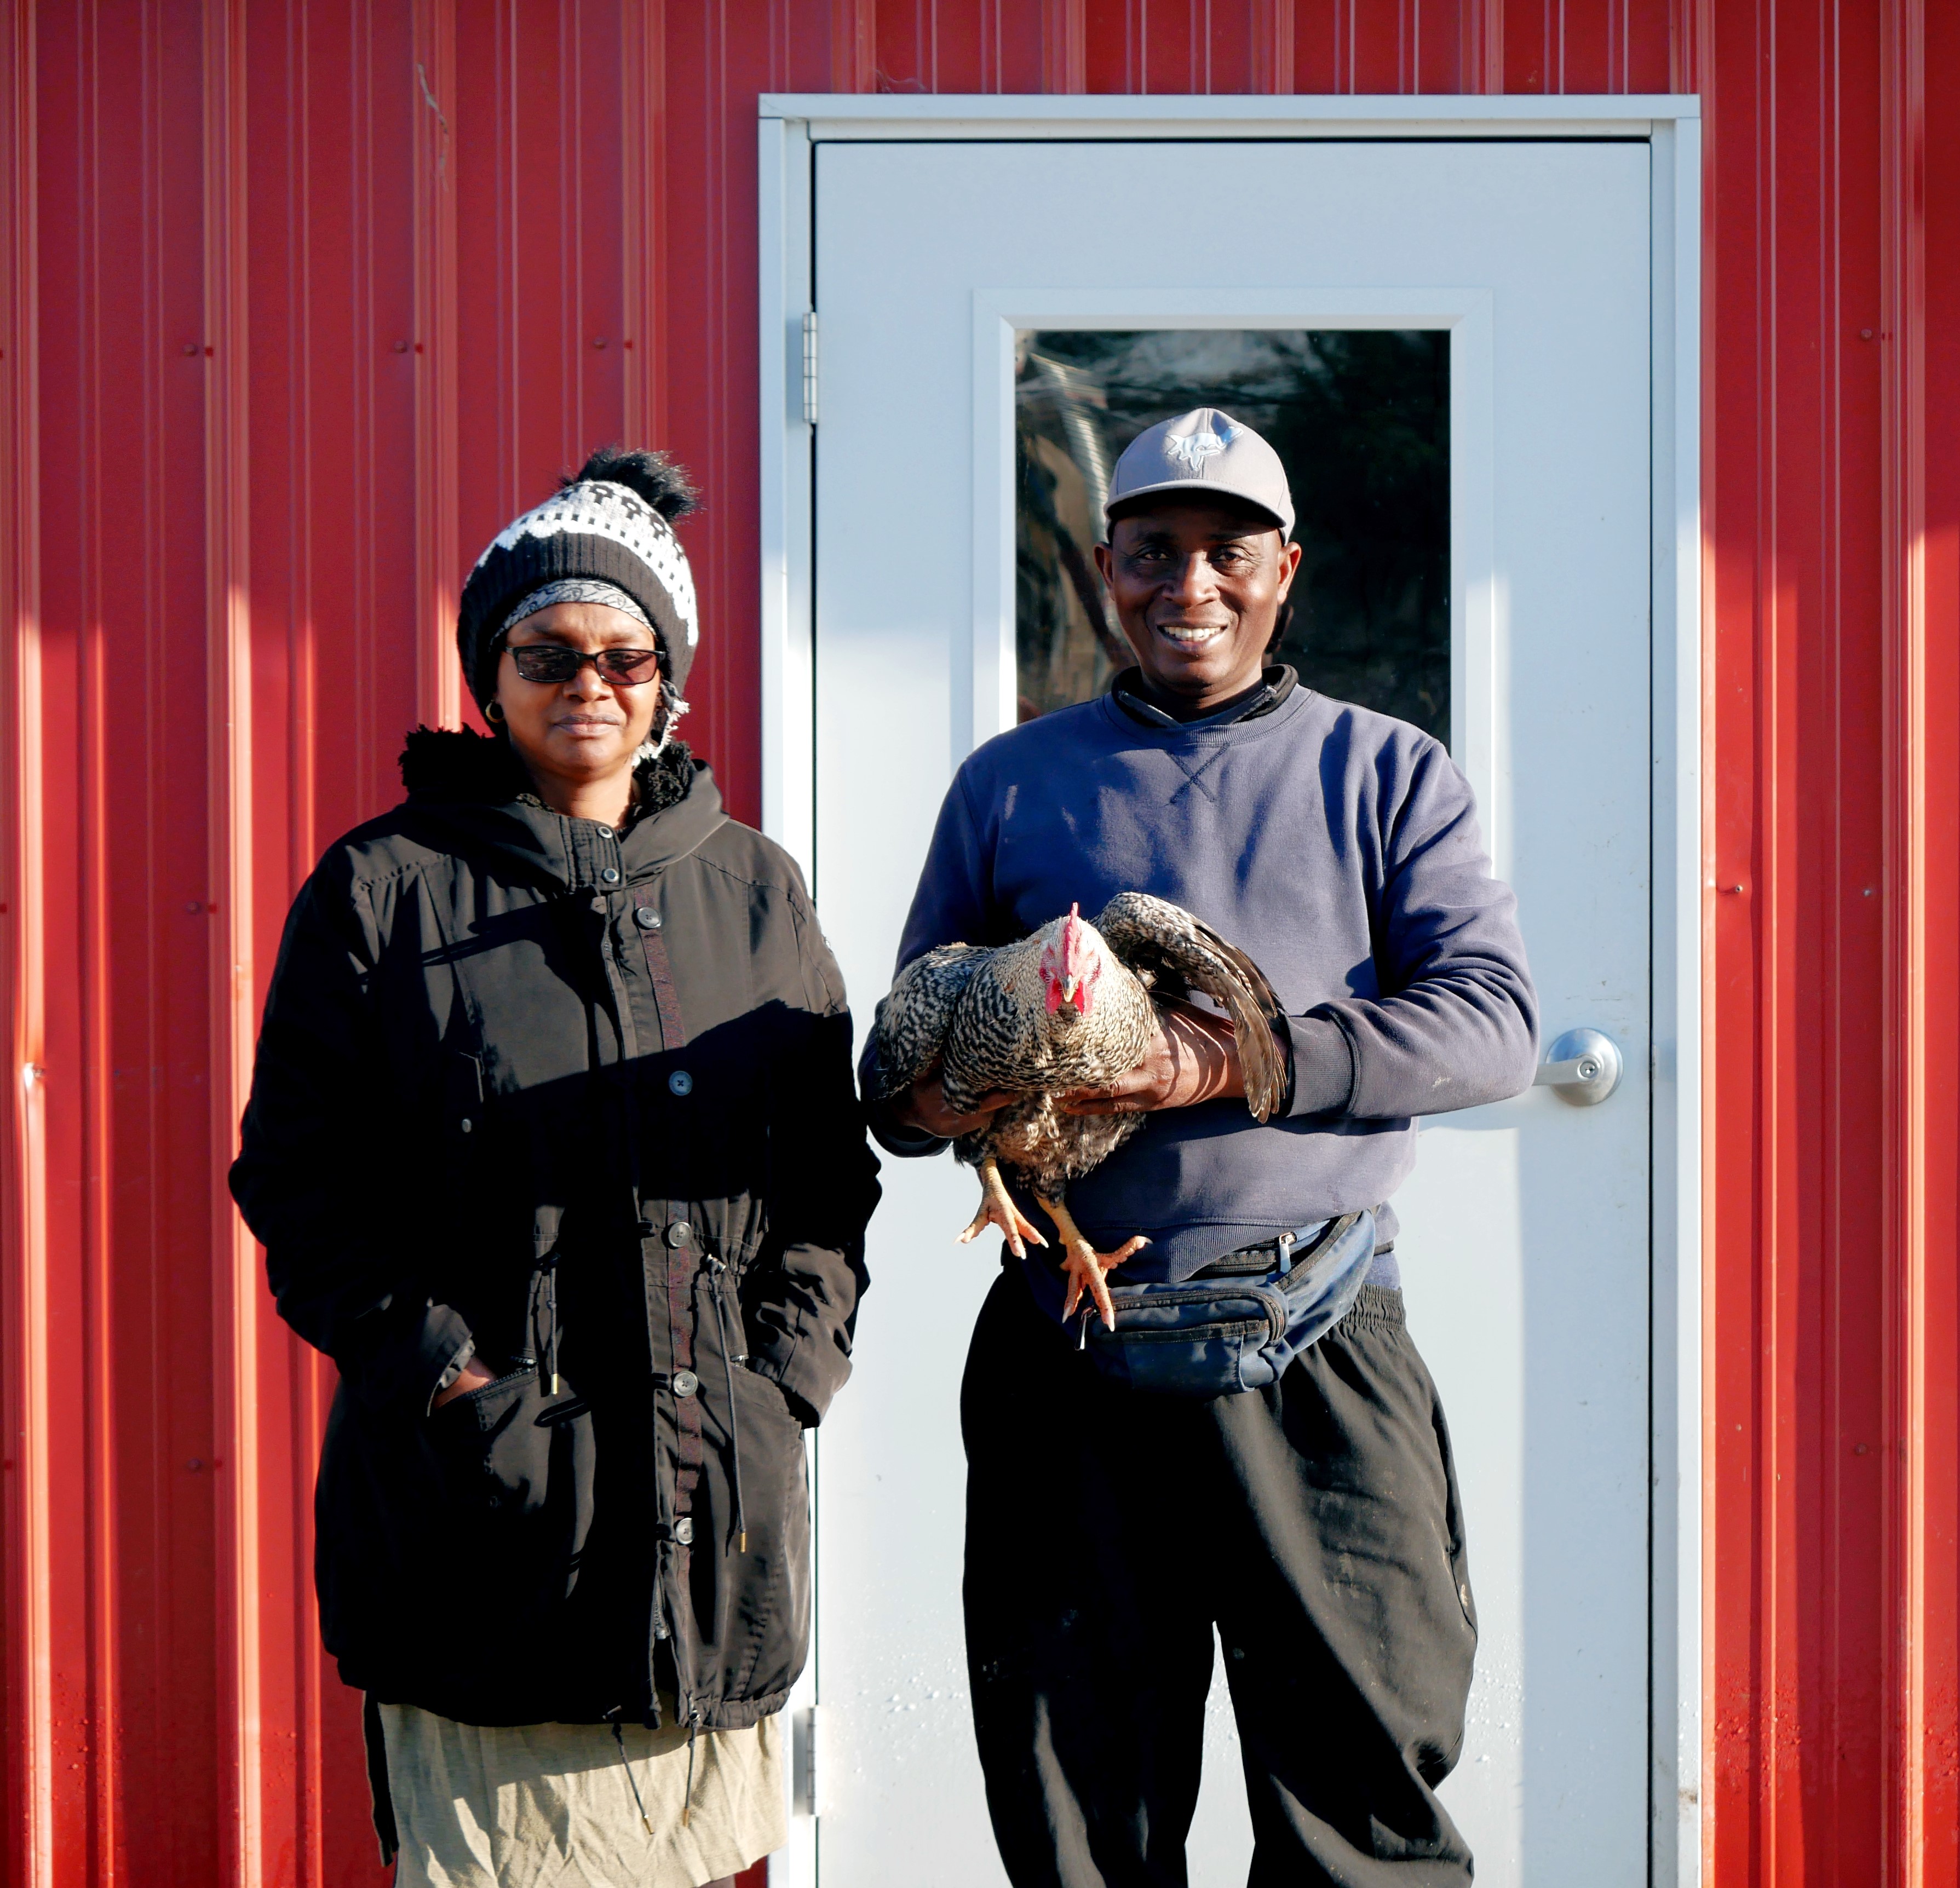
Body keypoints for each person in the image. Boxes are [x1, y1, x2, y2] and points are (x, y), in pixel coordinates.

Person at [872, 408, 1537, 1885]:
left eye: (1230, 551)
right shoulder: (1012, 783)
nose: (1193, 584)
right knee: (1082, 1816)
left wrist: (1226, 1064)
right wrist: (948, 1099)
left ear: (1285, 569)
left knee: (1359, 1809)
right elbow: (906, 1069)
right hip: (1070, 1345)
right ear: (1106, 570)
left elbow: (1491, 1023)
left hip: (1317, 1337)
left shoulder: (1387, 773)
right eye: (1155, 552)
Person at [231, 448, 879, 1887]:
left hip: (718, 1523)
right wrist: (456, 1383)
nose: (591, 684)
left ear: (672, 677)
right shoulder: (382, 888)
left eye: (627, 653)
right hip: (485, 1528)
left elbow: (827, 1179)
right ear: (489, 668)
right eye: (549, 651)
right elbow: (300, 1184)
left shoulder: (753, 886)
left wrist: (789, 1380)